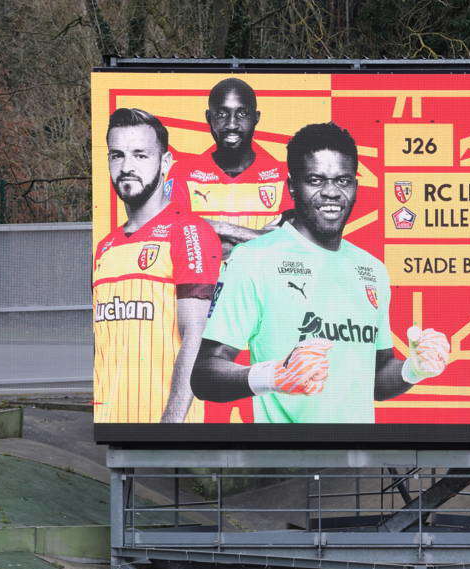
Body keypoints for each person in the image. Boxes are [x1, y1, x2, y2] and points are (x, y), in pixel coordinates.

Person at [191, 122, 449, 423]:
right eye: (315, 180)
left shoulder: (372, 269)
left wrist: (414, 368)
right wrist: (274, 376)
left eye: (342, 180)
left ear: (355, 185)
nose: (331, 192)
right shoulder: (255, 258)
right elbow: (205, 373)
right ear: (292, 186)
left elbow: (376, 379)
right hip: (283, 463)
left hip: (356, 462)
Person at [94, 108, 222, 423]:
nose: (126, 167)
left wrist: (171, 423)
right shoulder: (104, 247)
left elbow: (196, 334)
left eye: (140, 155)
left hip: (169, 432)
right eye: (117, 156)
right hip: (115, 425)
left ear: (164, 163)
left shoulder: (188, 231)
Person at [169, 77, 292, 254]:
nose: (232, 124)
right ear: (208, 118)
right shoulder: (183, 172)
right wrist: (255, 236)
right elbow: (174, 231)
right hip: (204, 282)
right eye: (222, 114)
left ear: (256, 118)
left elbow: (286, 245)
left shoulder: (281, 174)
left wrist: (211, 233)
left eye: (241, 114)